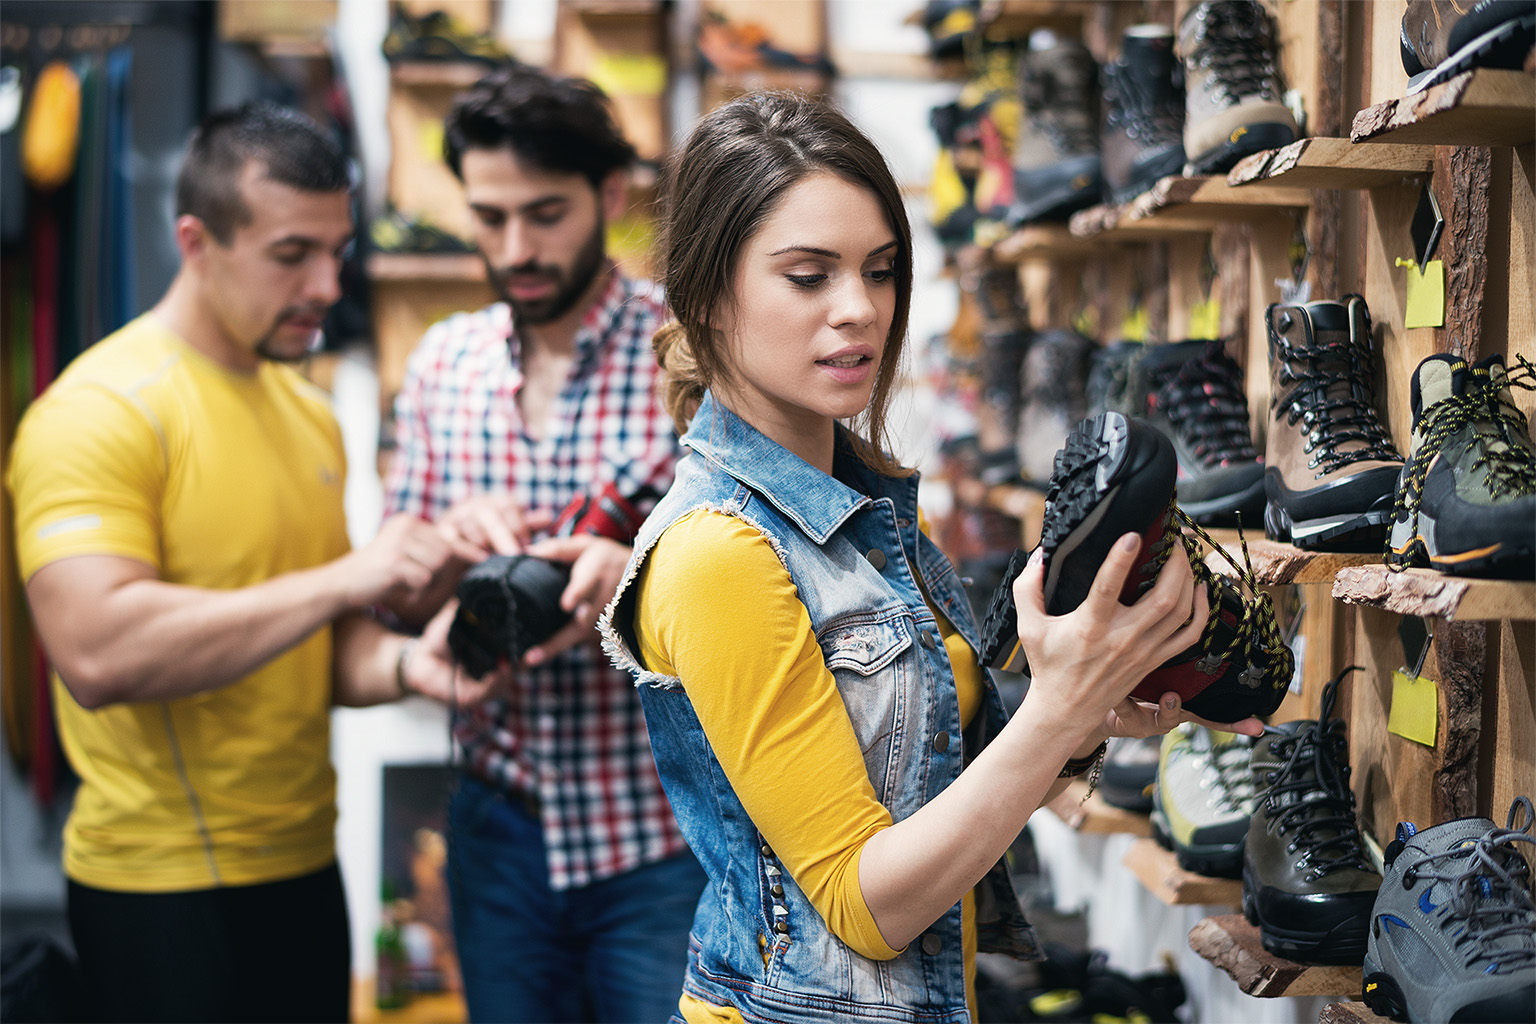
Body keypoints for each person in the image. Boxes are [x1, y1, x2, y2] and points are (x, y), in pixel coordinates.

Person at [596, 91, 1264, 1024]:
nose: (859, 310)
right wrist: (1059, 708)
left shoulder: (862, 507)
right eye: (807, 276)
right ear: (706, 296)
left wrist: (1084, 717)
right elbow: (868, 905)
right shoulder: (718, 553)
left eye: (880, 271)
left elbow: (919, 781)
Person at [6, 102, 506, 1024]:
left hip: (306, 864)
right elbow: (98, 653)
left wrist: (407, 658)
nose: (326, 283)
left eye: (337, 248)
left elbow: (316, 642)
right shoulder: (100, 411)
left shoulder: (305, 411)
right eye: (290, 254)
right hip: (159, 885)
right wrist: (351, 576)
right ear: (196, 242)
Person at [381, 65, 705, 1024]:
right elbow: (400, 604)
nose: (515, 247)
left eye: (545, 213)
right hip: (501, 825)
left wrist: (634, 581)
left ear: (610, 197)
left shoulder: (690, 352)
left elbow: (776, 573)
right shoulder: (444, 362)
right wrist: (445, 552)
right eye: (489, 217)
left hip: (663, 824)